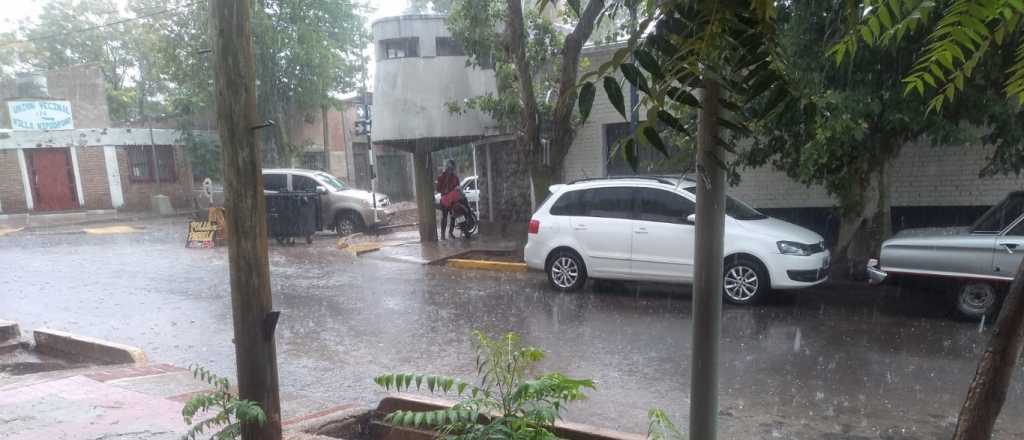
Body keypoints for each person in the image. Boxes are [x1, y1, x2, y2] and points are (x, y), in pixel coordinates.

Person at [436, 159, 460, 239]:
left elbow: (458, 187)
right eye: (449, 168)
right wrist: (444, 190)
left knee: (453, 216)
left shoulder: (455, 178)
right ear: (446, 168)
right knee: (444, 217)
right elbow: (438, 189)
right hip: (445, 200)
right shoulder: (441, 177)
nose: (450, 170)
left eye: (452, 168)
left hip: (453, 201)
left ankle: (450, 233)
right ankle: (443, 235)